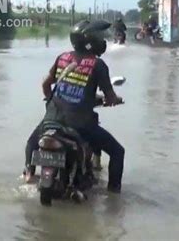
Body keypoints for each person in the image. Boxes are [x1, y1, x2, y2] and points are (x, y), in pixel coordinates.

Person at [23, 20, 125, 193]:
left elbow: (46, 84)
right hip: (80, 124)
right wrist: (115, 100)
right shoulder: (98, 65)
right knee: (117, 152)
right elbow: (110, 96)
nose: (102, 40)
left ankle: (28, 175)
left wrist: (51, 100)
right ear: (90, 41)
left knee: (31, 143)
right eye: (99, 36)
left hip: (52, 119)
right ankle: (114, 195)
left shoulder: (63, 57)